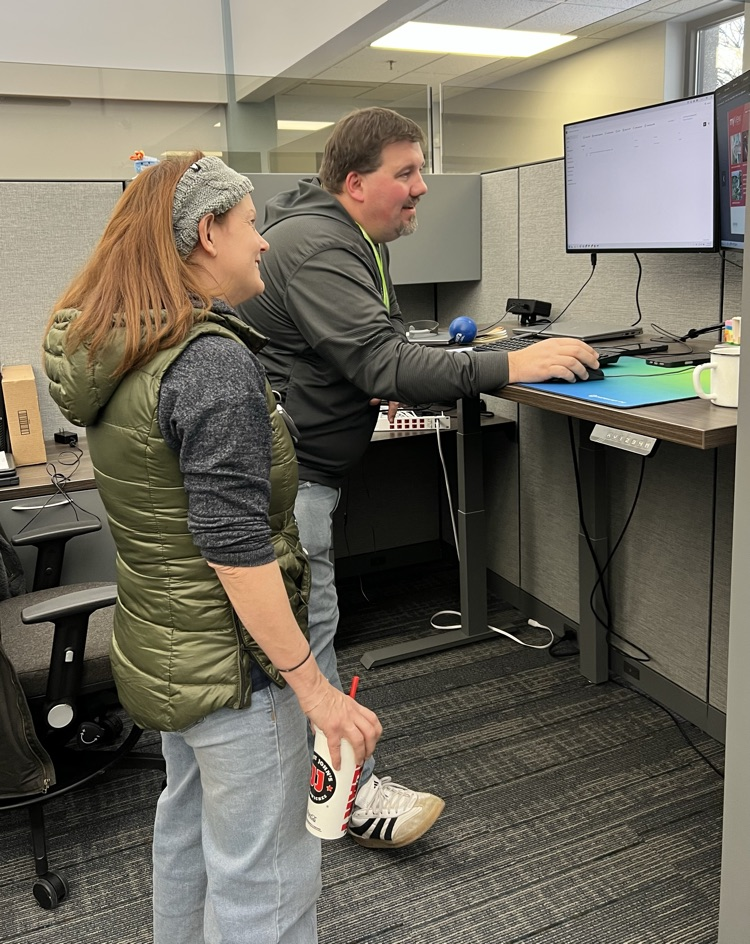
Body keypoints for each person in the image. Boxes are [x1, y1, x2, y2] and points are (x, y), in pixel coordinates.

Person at [237, 107, 599, 849]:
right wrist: (512, 363)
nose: (423, 188)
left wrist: (398, 360)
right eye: (406, 172)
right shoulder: (320, 245)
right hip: (289, 481)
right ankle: (346, 798)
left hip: (300, 471)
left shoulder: (342, 238)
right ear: (354, 180)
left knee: (306, 637)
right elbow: (382, 361)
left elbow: (370, 346)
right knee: (312, 640)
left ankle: (315, 790)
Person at [43, 153, 382, 944]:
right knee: (265, 877)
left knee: (188, 832)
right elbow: (234, 547)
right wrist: (315, 690)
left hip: (168, 651)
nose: (264, 243)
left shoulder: (123, 349)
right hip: (235, 670)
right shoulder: (210, 362)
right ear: (206, 233)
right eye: (252, 223)